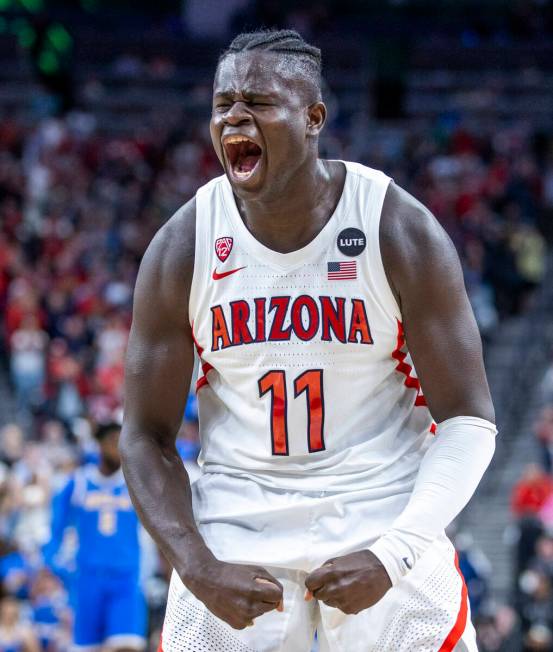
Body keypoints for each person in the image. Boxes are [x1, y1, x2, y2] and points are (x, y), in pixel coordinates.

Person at [120, 29, 497, 651]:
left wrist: (395, 554)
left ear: (313, 117)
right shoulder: (184, 245)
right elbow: (143, 434)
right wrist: (194, 564)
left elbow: (470, 420)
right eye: (223, 104)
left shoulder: (396, 227)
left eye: (258, 102)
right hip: (233, 540)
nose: (234, 116)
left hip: (382, 524)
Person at [44, 422, 146, 652]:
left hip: (126, 578)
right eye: (112, 442)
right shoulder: (77, 482)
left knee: (126, 646)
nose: (117, 448)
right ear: (99, 444)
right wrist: (56, 565)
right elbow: (55, 530)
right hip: (88, 578)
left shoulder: (134, 481)